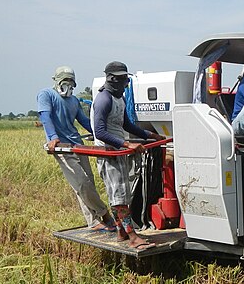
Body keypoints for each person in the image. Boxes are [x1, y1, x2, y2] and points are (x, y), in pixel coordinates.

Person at [91, 61, 163, 250]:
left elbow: (127, 126)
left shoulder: (119, 99)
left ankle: (122, 232)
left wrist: (150, 135)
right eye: (124, 81)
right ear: (114, 80)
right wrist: (126, 143)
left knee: (123, 194)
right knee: (119, 197)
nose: (126, 85)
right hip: (109, 153)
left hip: (119, 150)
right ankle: (132, 236)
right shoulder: (103, 100)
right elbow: (99, 132)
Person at [37, 66, 116, 232]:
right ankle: (104, 213)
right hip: (62, 148)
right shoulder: (46, 95)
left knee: (88, 183)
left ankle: (93, 222)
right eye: (64, 81)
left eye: (71, 82)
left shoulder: (74, 101)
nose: (68, 85)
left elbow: (85, 121)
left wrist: (102, 135)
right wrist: (53, 138)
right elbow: (45, 117)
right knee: (81, 183)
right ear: (57, 81)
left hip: (77, 145)